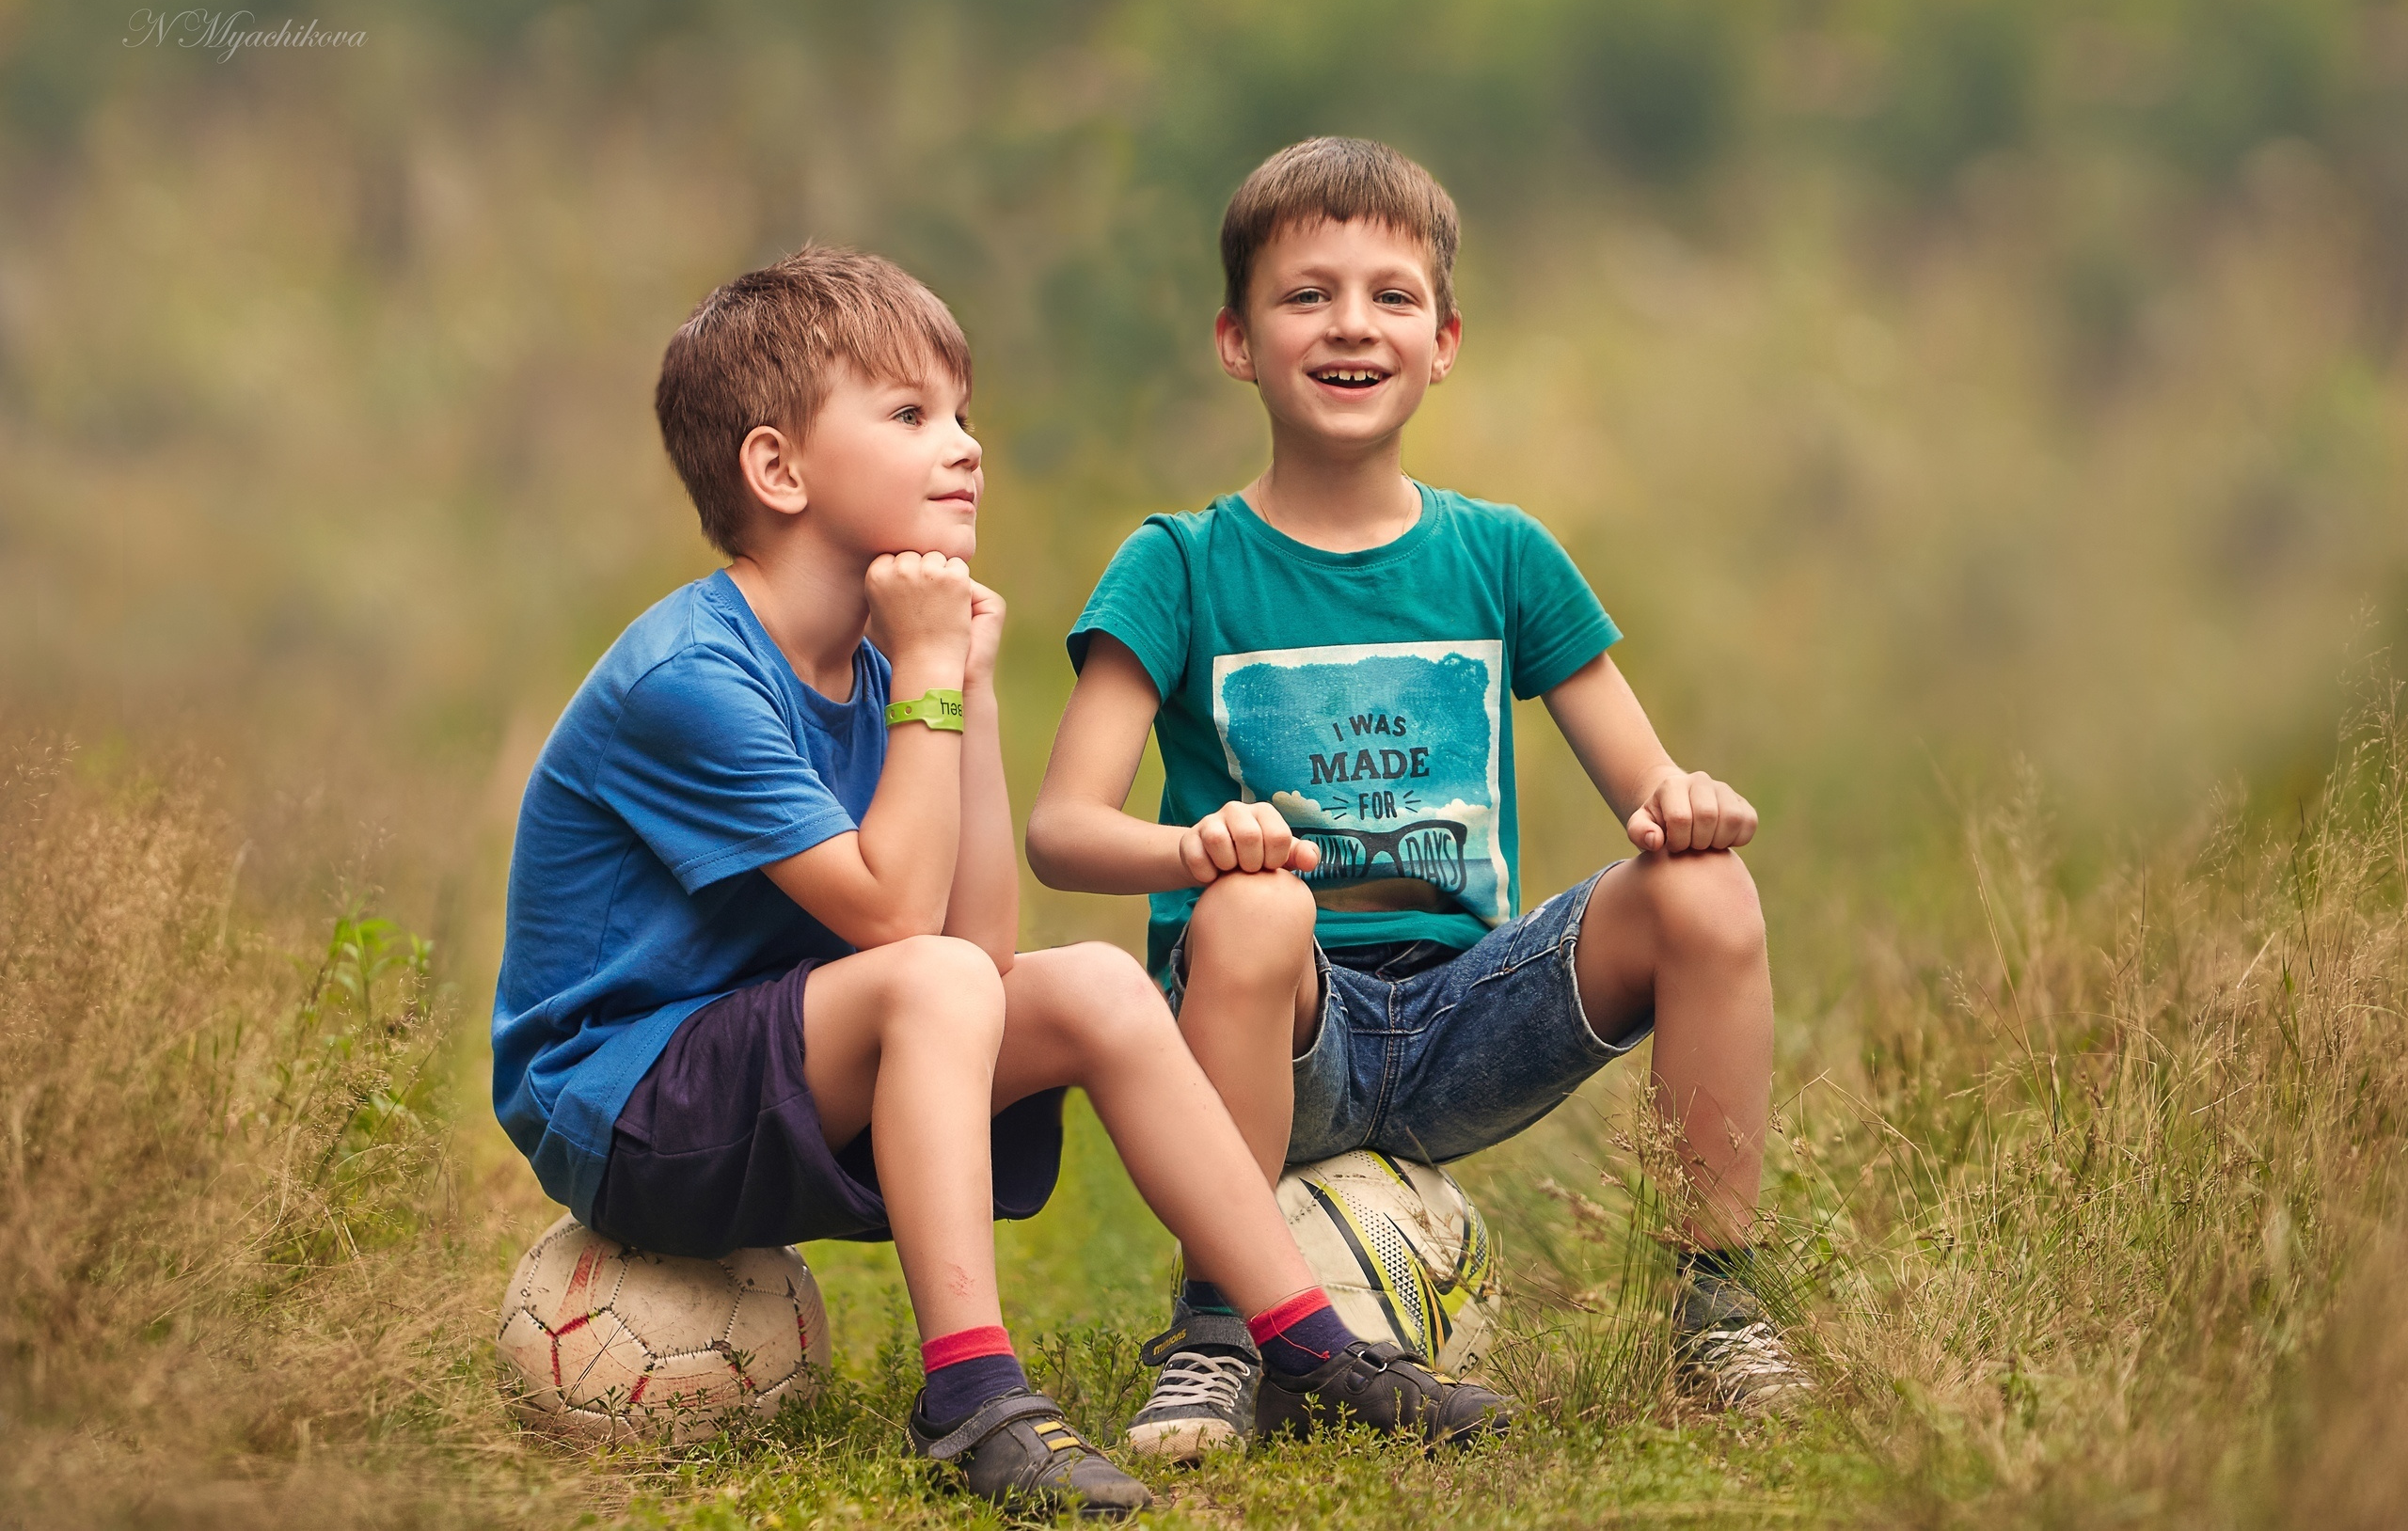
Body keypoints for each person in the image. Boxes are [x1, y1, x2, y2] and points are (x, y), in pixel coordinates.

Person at [490, 245, 1505, 1519]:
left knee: (1089, 989)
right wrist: (926, 674)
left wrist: (958, 683)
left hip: (783, 1056)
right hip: (623, 1101)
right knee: (925, 980)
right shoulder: (692, 676)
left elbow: (978, 949)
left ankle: (1305, 1342)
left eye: (964, 413)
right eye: (912, 415)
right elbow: (902, 929)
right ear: (777, 468)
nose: (965, 445)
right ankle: (970, 1391)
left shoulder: (874, 669)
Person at [1027, 139, 1811, 1460]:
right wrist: (1193, 843)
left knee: (1709, 894)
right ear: (1235, 340)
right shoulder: (1180, 563)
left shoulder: (1501, 554)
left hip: (1467, 1018)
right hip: (1276, 1020)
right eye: (1306, 294)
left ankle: (1715, 1308)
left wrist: (1688, 806)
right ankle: (1218, 1331)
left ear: (1444, 340)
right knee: (1260, 909)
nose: (1351, 324)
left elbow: (1649, 786)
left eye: (1391, 295)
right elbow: (1062, 828)